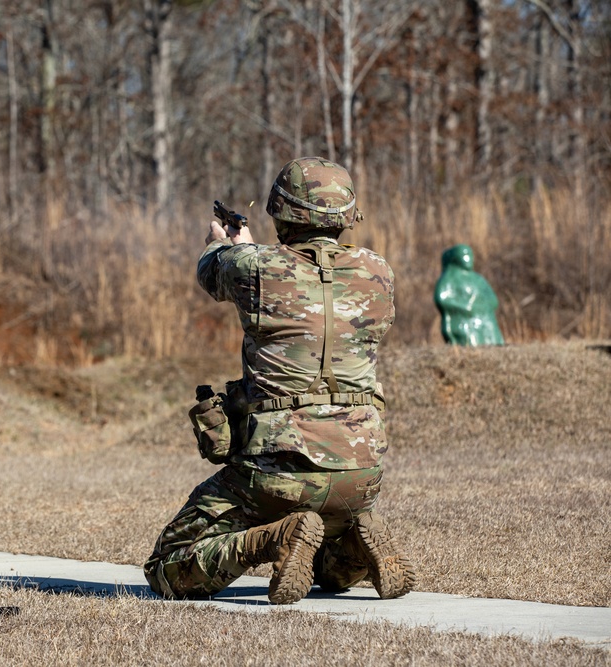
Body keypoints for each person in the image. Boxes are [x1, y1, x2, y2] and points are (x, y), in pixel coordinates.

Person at [143, 157, 416, 604]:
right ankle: (353, 542)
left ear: (281, 211)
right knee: (325, 571)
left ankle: (276, 538)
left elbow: (213, 271)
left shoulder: (255, 267)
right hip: (360, 473)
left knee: (167, 566)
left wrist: (222, 242)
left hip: (278, 471)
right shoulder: (378, 271)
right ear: (347, 216)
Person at [434, 244, 505, 346]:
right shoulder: (449, 278)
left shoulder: (478, 279)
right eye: (464, 255)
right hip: (465, 324)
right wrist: (465, 307)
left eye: (470, 255)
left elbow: (493, 300)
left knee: (493, 339)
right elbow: (441, 299)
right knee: (471, 343)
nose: (469, 258)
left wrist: (481, 306)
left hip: (485, 320)